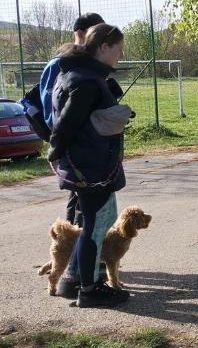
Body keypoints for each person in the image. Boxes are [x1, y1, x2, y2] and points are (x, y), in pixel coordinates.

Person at [48, 23, 131, 307]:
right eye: (118, 49)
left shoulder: (78, 74)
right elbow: (67, 123)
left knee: (97, 223)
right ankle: (88, 289)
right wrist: (54, 153)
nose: (121, 55)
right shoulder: (85, 81)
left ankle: (86, 283)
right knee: (95, 228)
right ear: (103, 47)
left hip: (90, 163)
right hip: (89, 167)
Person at [41, 13, 106, 299]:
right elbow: (53, 111)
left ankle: (80, 264)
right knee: (78, 208)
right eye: (93, 34)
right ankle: (74, 271)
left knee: (82, 207)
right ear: (80, 33)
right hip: (70, 149)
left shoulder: (87, 65)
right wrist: (59, 145)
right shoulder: (59, 66)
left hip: (80, 148)